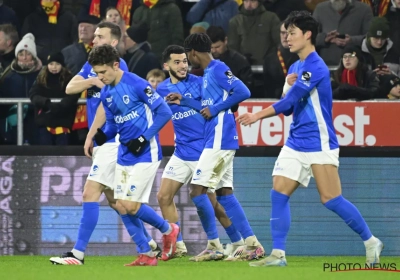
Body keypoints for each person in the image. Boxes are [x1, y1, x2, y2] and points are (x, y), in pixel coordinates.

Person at [236, 11, 383, 267]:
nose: (287, 38)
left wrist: (257, 115)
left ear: (307, 35)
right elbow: (291, 108)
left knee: (331, 199)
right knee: (278, 194)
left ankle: (371, 241)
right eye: (285, 33)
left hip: (319, 141)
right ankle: (278, 255)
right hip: (295, 142)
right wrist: (286, 85)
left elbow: (290, 101)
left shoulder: (315, 66)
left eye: (292, 33)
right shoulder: (294, 67)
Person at [49, 21, 159, 266]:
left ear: (113, 42)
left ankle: (78, 254)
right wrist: (93, 81)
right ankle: (148, 245)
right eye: (95, 35)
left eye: (100, 36)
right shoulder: (94, 66)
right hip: (103, 139)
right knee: (116, 201)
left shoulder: (117, 69)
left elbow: (105, 107)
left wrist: (91, 134)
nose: (94, 39)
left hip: (112, 140)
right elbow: (69, 87)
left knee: (91, 192)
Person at [88, 44, 179, 266]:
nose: (101, 77)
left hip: (146, 153)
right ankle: (146, 254)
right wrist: (99, 137)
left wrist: (143, 138)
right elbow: (111, 124)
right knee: (120, 205)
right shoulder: (107, 92)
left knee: (130, 205)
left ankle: (169, 229)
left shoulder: (136, 83)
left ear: (116, 65)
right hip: (124, 154)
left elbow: (164, 112)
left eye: (103, 72)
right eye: (97, 73)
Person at [176, 33, 264, 261]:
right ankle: (252, 244)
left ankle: (215, 245)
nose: (189, 60)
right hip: (214, 137)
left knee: (197, 190)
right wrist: (183, 101)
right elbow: (206, 105)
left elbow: (244, 91)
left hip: (219, 137)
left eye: (188, 56)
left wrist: (216, 110)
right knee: (224, 194)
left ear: (193, 53)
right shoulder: (207, 74)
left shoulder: (217, 68)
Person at [156, 45, 249, 259]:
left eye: (184, 61)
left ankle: (238, 241)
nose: (182, 65)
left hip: (203, 150)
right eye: (177, 62)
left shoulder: (201, 83)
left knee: (214, 202)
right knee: (163, 196)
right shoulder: (161, 89)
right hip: (181, 151)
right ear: (166, 65)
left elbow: (225, 100)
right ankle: (178, 246)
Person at [29, 52, 78, 145]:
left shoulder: (69, 79)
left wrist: (61, 105)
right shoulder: (41, 79)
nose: (54, 67)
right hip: (45, 121)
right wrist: (46, 103)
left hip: (63, 121)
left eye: (57, 64)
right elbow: (33, 94)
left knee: (62, 153)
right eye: (51, 64)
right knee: (45, 152)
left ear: (62, 65)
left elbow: (74, 94)